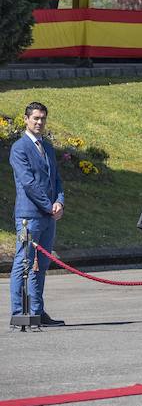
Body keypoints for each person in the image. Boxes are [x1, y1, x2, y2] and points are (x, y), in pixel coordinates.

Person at [9, 102, 66, 327]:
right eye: (35, 118)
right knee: (23, 263)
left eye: (43, 118)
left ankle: (36, 311)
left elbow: (56, 179)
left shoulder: (48, 147)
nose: (39, 122)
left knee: (40, 265)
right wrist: (48, 205)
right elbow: (28, 183)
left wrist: (59, 202)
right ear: (26, 119)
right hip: (29, 215)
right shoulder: (20, 148)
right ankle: (18, 312)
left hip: (48, 215)